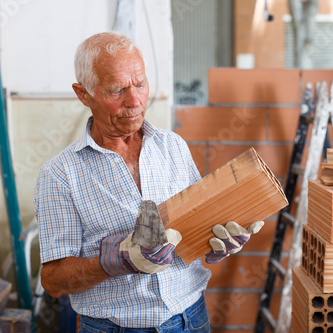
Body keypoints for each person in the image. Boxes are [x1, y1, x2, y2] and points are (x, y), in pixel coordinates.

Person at [34, 32, 263, 333]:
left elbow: (196, 232)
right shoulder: (59, 174)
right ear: (84, 94)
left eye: (140, 84)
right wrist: (117, 260)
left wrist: (217, 244)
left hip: (190, 320)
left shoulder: (172, 146)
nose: (135, 101)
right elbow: (53, 281)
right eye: (117, 90)